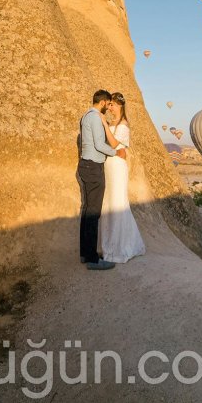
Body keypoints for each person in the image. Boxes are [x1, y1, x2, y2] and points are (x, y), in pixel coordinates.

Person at [99, 93, 145, 263]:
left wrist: (103, 124)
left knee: (118, 203)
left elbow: (112, 144)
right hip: (109, 164)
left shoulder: (123, 126)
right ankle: (109, 246)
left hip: (118, 166)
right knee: (109, 203)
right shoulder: (113, 124)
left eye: (112, 105)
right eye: (109, 104)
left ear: (120, 106)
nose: (110, 108)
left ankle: (121, 247)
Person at [78, 90, 117, 270]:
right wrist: (117, 152)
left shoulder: (85, 116)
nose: (109, 108)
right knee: (93, 213)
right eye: (108, 104)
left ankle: (86, 253)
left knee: (87, 211)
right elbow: (99, 145)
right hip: (93, 167)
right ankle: (93, 259)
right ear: (102, 102)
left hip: (85, 165)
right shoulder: (94, 118)